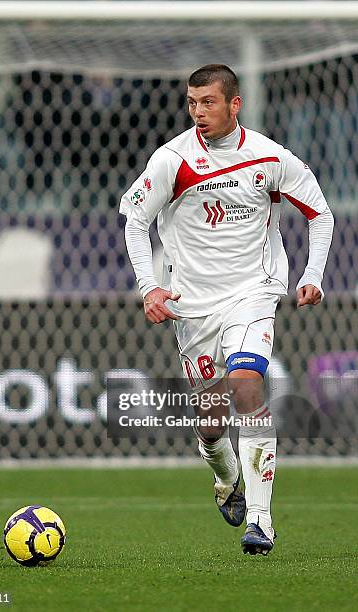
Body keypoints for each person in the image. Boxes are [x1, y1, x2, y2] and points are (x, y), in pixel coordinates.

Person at [120, 64, 334, 555]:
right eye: (192, 103)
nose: (198, 113)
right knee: (211, 421)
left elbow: (319, 213)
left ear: (234, 104)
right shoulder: (172, 159)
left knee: (246, 384)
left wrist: (311, 275)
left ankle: (260, 520)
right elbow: (135, 219)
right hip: (192, 304)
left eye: (208, 102)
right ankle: (226, 478)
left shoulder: (269, 157)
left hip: (253, 292)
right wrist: (150, 287)